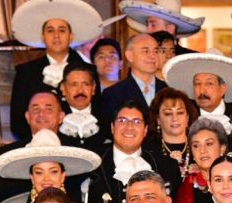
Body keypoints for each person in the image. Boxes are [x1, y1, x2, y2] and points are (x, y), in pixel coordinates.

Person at [162, 52, 232, 194]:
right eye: (197, 84)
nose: (202, 90)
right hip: (193, 200)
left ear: (223, 89)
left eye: (209, 83)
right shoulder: (183, 120)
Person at [84, 101, 181, 203]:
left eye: (136, 122)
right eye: (122, 121)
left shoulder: (167, 166)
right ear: (112, 127)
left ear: (145, 130)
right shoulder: (91, 164)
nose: (129, 127)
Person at [9, 0, 99, 140]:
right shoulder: (25, 72)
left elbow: (97, 112)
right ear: (43, 37)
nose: (56, 35)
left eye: (62, 30)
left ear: (71, 36)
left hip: (81, 144)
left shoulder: (89, 71)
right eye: (50, 30)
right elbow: (17, 120)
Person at [100, 34, 166, 119]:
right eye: (146, 51)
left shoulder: (167, 90)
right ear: (130, 56)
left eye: (156, 51)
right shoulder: (113, 94)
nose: (152, 56)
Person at [58, 63, 112, 158]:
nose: (80, 91)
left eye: (86, 84)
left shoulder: (108, 117)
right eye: (74, 85)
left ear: (93, 88)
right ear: (63, 88)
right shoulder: (55, 118)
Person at [144, 87, 198, 181]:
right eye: (168, 113)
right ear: (158, 119)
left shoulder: (200, 148)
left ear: (187, 117)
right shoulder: (147, 152)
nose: (175, 118)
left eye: (180, 112)